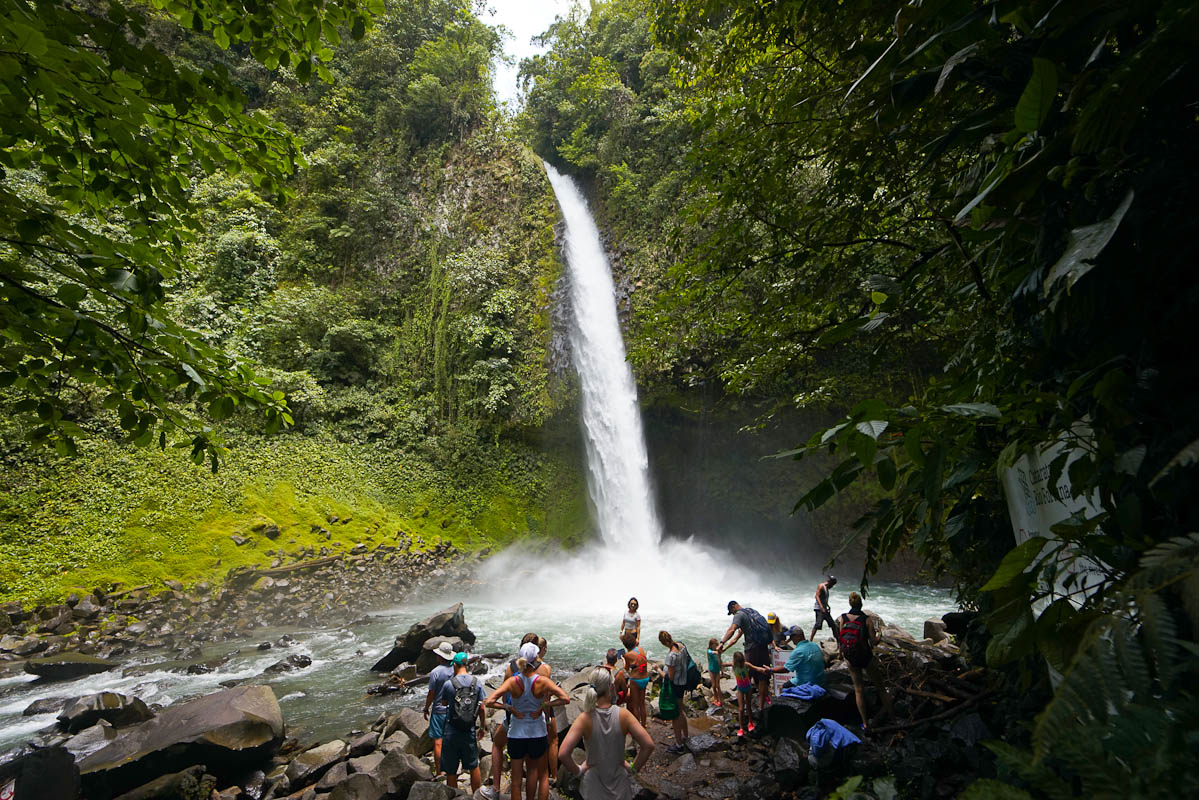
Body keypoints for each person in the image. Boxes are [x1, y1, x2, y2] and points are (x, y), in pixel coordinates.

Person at [484, 642, 571, 800]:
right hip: (537, 732)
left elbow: (489, 701)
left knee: (516, 780)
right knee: (534, 773)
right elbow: (565, 698)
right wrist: (545, 705)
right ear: (535, 659)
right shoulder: (542, 681)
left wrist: (508, 707)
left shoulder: (512, 681)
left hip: (517, 734)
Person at [559, 666, 656, 800]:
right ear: (611, 687)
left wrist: (579, 771)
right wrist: (633, 768)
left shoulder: (584, 718)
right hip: (620, 785)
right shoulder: (624, 715)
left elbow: (563, 754)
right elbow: (648, 745)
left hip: (593, 787)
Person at [484, 633, 547, 800]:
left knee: (498, 745)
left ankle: (496, 788)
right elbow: (547, 697)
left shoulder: (512, 667)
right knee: (536, 770)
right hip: (536, 723)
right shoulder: (544, 669)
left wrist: (508, 708)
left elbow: (503, 697)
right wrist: (544, 713)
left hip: (515, 720)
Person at [837, 591, 895, 732]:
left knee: (858, 689)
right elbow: (874, 641)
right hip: (865, 657)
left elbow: (841, 639)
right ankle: (893, 718)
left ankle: (865, 723)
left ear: (850, 603)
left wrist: (840, 654)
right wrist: (880, 633)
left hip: (850, 657)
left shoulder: (843, 618)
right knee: (880, 687)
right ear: (861, 604)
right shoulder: (866, 619)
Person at [438, 651, 487, 793]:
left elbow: (444, 703)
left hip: (451, 731)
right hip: (469, 730)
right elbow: (482, 707)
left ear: (454, 665)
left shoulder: (449, 684)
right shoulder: (476, 683)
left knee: (451, 770)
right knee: (473, 765)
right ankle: (476, 795)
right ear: (466, 665)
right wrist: (482, 727)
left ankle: (455, 796)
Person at [718, 601, 772, 713]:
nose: (733, 615)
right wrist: (726, 648)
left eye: (732, 612)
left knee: (745, 678)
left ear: (733, 606)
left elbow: (732, 630)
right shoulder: (751, 612)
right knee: (762, 678)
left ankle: (745, 709)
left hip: (752, 650)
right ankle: (762, 708)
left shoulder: (739, 615)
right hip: (763, 647)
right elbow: (736, 638)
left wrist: (722, 642)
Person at [422, 640, 457, 774]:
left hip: (438, 711)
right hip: (453, 710)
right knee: (452, 740)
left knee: (438, 742)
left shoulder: (435, 672)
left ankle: (439, 771)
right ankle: (452, 769)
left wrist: (426, 708)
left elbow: (431, 693)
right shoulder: (455, 670)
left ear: (439, 656)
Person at [658, 631, 690, 753]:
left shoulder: (671, 656)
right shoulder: (681, 645)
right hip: (683, 682)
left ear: (663, 643)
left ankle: (679, 745)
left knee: (675, 715)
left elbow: (669, 677)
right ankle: (685, 736)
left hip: (675, 686)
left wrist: (658, 670)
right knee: (681, 710)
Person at [620, 633, 649, 726]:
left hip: (636, 680)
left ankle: (637, 727)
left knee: (635, 705)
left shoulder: (627, 655)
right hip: (645, 678)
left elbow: (626, 668)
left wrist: (623, 660)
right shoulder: (640, 649)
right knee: (642, 704)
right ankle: (644, 725)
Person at [811, 575, 839, 642]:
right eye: (832, 585)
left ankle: (838, 640)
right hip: (819, 609)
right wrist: (821, 607)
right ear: (830, 583)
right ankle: (810, 640)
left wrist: (827, 605)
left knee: (833, 624)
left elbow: (823, 599)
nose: (832, 586)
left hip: (824, 609)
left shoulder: (826, 588)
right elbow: (817, 596)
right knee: (818, 625)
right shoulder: (821, 586)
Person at [706, 638, 730, 708]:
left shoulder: (717, 652)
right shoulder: (709, 651)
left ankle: (720, 700)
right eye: (715, 645)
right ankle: (716, 699)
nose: (716, 646)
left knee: (718, 686)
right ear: (711, 645)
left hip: (717, 670)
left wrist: (722, 670)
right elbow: (711, 652)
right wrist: (718, 651)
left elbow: (720, 661)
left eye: (716, 645)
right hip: (711, 670)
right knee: (713, 686)